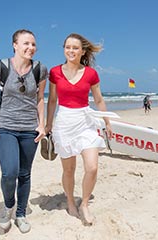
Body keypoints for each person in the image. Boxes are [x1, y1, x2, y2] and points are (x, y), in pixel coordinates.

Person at [45, 33, 113, 226]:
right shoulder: (55, 72)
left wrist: (107, 122)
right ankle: (69, 201)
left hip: (86, 121)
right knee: (69, 170)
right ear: (64, 49)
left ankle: (84, 203)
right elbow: (52, 101)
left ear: (82, 51)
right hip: (64, 122)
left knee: (92, 166)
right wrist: (48, 124)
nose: (71, 51)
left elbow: (99, 100)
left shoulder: (91, 74)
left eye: (75, 48)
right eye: (68, 47)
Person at [0, 29, 48, 233]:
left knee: (25, 173)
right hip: (5, 128)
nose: (31, 48)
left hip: (30, 129)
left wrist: (42, 124)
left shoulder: (39, 69)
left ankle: (20, 214)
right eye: (26, 43)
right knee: (9, 172)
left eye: (33, 44)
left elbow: (39, 99)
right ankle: (8, 206)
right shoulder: (1, 66)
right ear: (15, 45)